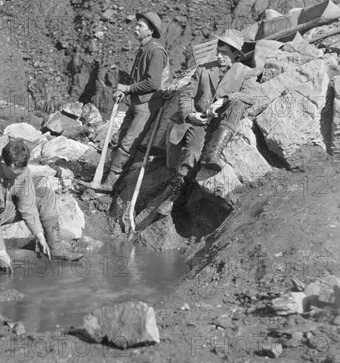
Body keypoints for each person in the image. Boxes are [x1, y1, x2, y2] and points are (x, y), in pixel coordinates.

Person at [158, 30, 258, 215]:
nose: (219, 56)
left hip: (221, 124)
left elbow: (253, 95)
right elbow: (186, 95)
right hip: (199, 121)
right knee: (193, 151)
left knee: (234, 105)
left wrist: (226, 99)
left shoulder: (246, 73)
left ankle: (210, 157)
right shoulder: (204, 68)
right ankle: (174, 196)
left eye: (225, 53)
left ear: (236, 55)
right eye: (218, 51)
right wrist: (190, 115)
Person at [0, 140, 81, 272]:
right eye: (15, 173)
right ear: (3, 163)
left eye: (22, 172)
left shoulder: (23, 171)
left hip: (3, 207)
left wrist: (40, 236)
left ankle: (55, 248)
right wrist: (2, 252)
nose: (18, 176)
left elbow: (28, 206)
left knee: (45, 195)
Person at [100, 11, 169, 192]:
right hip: (136, 102)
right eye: (136, 24)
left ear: (151, 31)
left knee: (128, 143)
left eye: (141, 26)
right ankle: (105, 175)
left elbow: (153, 82)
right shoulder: (142, 50)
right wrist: (126, 92)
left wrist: (128, 89)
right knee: (118, 139)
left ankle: (110, 185)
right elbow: (138, 78)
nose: (136, 28)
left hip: (147, 105)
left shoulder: (155, 51)